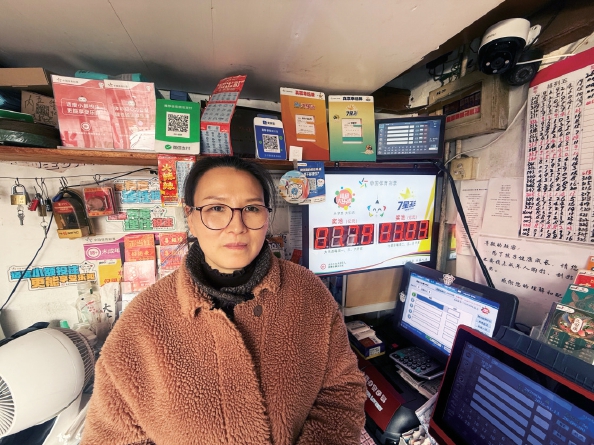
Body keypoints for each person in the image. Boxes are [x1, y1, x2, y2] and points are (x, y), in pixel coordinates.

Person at [81, 156, 367, 445]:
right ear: (191, 218)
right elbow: (108, 436)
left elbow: (341, 392)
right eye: (217, 208)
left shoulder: (309, 294)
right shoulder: (142, 322)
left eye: (251, 208)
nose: (237, 226)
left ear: (266, 217)